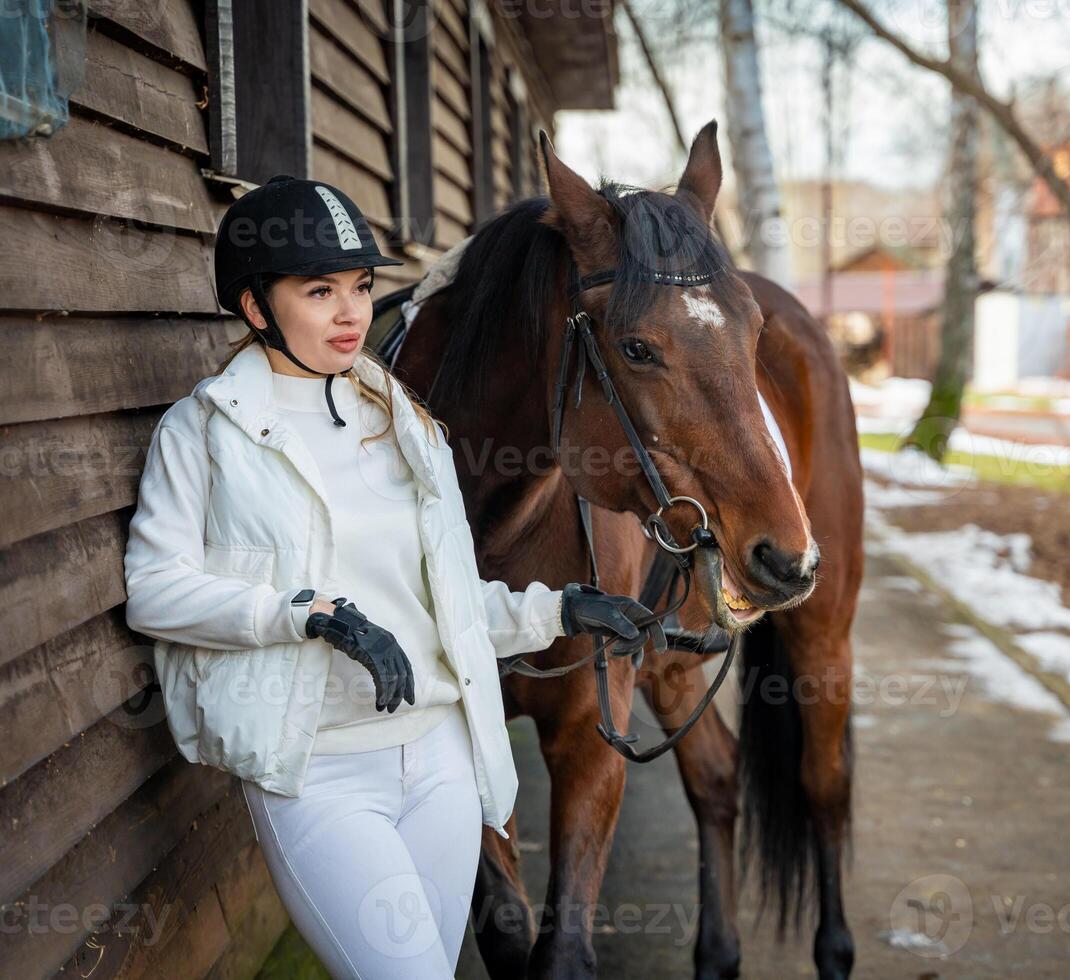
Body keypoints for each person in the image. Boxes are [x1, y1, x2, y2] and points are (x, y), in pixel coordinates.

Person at [123, 175, 665, 979]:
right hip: (318, 768)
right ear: (253, 305)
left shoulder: (404, 421)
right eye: (319, 291)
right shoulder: (203, 432)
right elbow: (156, 590)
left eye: (361, 287)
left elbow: (442, 604)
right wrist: (307, 615)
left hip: (442, 756)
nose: (351, 314)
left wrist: (562, 610)